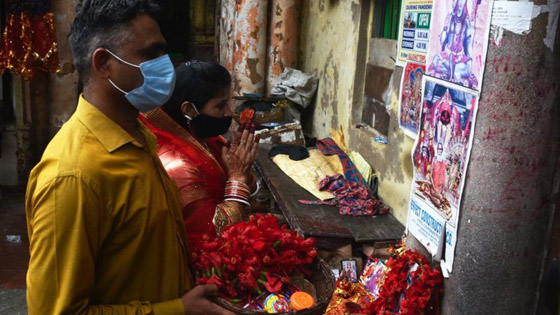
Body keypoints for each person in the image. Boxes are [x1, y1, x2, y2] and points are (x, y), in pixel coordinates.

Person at [25, 1, 233, 314]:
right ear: (104, 63)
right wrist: (177, 309)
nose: (164, 65)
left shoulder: (140, 135)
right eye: (151, 54)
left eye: (164, 53)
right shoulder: (72, 177)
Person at [140, 61, 259, 248]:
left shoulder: (201, 135)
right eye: (220, 106)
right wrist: (237, 178)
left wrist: (241, 168)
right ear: (188, 109)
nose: (229, 112)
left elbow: (239, 181)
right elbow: (212, 235)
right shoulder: (176, 164)